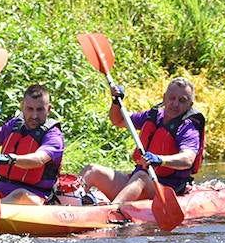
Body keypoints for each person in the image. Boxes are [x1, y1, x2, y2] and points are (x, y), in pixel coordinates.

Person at [79, 77, 205, 205]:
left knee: (141, 177)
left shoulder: (188, 129)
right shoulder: (153, 116)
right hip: (136, 181)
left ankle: (111, 212)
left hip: (166, 190)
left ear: (190, 105)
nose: (175, 104)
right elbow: (119, 120)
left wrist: (160, 160)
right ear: (164, 98)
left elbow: (188, 159)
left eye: (182, 100)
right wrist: (116, 103)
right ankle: (69, 201)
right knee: (92, 170)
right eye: (172, 98)